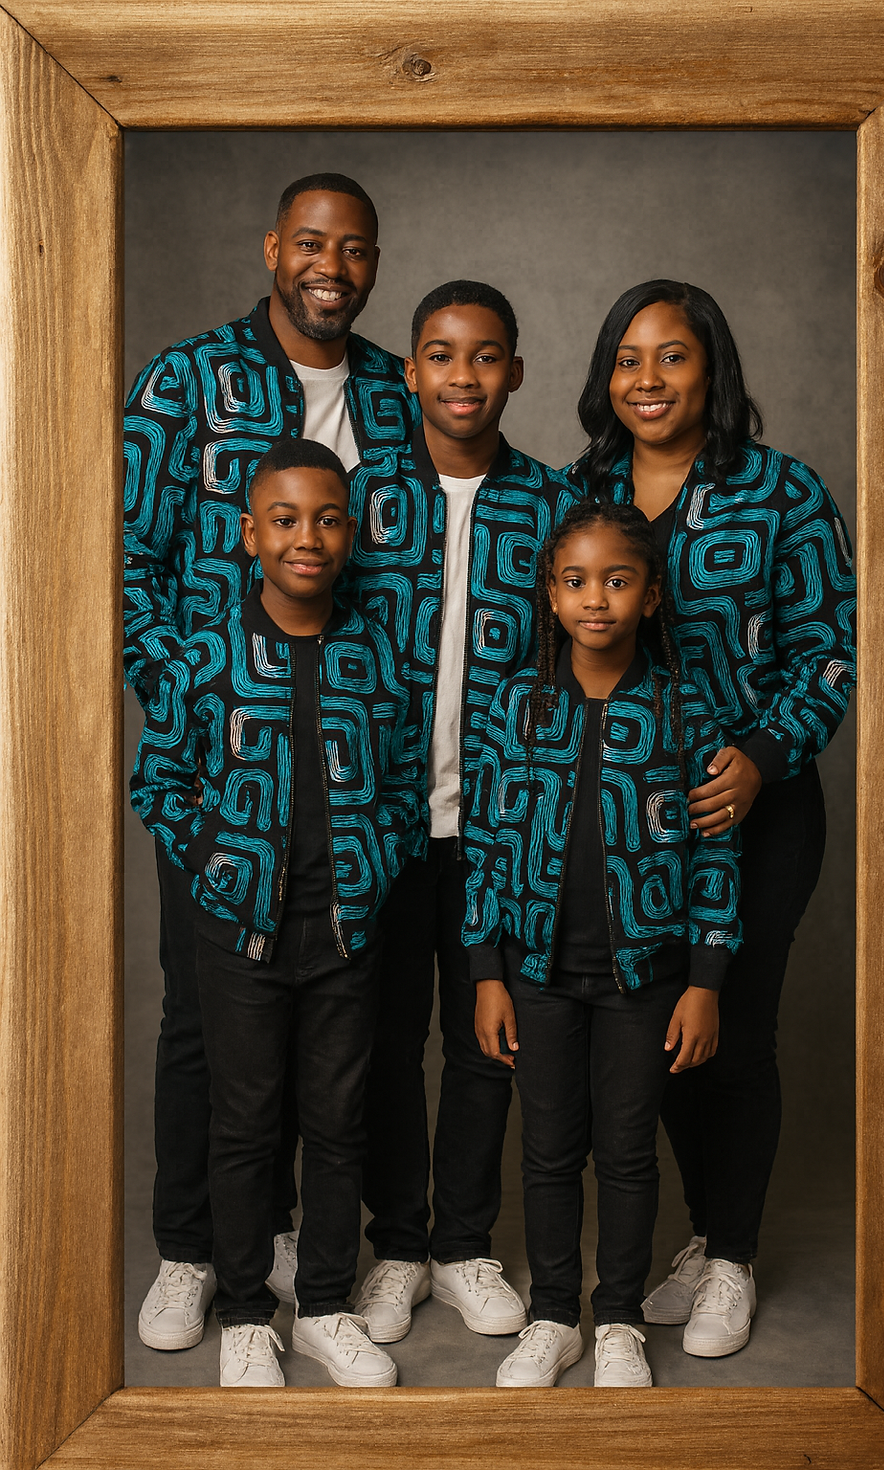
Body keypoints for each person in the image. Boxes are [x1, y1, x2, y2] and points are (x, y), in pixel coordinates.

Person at [125, 171, 419, 1352]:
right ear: (271, 250)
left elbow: (420, 568)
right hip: (226, 766)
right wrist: (201, 709)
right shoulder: (184, 380)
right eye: (309, 244)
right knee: (204, 1025)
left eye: (352, 249)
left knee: (350, 1032)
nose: (329, 268)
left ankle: (314, 1261)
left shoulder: (396, 396)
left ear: (373, 263)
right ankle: (196, 1251)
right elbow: (129, 559)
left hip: (354, 758)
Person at [570, 280, 856, 1358]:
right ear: (606, 378)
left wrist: (761, 755)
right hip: (622, 825)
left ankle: (730, 1255)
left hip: (756, 810)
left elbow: (829, 644)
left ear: (711, 369)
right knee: (653, 1035)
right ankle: (701, 1231)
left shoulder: (779, 493)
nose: (647, 379)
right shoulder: (576, 491)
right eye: (628, 359)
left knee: (730, 1031)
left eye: (672, 357)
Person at [342, 280, 580, 1344]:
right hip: (387, 821)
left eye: (485, 357)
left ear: (514, 373)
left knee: (490, 1042)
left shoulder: (549, 503)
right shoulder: (360, 492)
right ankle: (396, 1242)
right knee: (387, 1045)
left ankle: (463, 1245)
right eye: (440, 355)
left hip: (500, 829)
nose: (462, 377)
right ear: (409, 372)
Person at [464, 501, 741, 1387]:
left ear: (652, 596)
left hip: (644, 982)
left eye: (618, 581)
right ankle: (554, 1317)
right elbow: (486, 847)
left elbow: (716, 853)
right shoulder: (515, 706)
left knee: (626, 1152)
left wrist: (705, 981)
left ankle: (617, 1318)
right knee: (547, 1151)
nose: (596, 600)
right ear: (550, 593)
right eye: (576, 581)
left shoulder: (685, 709)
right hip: (537, 976)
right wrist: (487, 974)